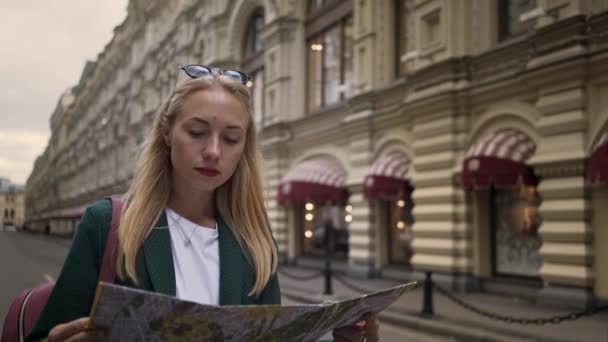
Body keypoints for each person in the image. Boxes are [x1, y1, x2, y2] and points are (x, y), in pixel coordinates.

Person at [27, 65, 378, 342]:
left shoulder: (253, 239)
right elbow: (47, 335)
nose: (213, 151)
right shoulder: (107, 224)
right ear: (167, 132)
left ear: (243, 147)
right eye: (197, 132)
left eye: (230, 138)